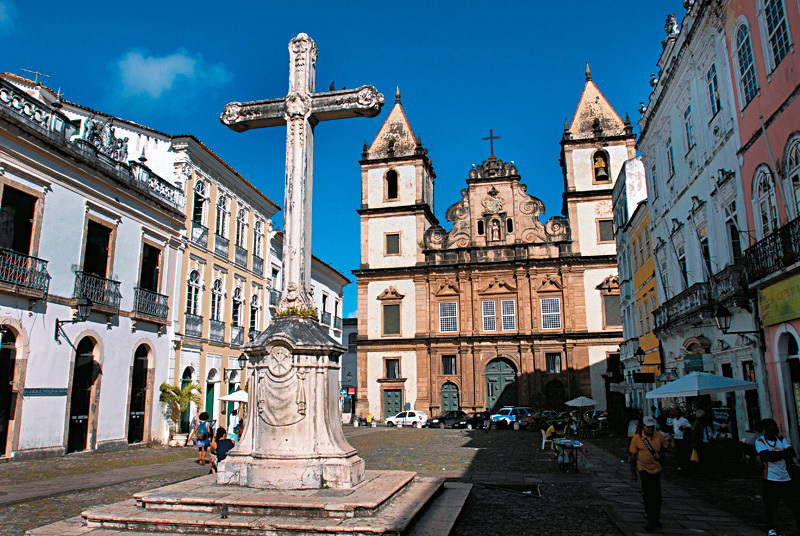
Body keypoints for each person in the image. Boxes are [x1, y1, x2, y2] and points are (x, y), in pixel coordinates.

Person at [755, 418, 800, 536]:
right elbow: (765, 457)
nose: (775, 428)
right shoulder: (760, 441)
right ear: (766, 429)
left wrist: (775, 454)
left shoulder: (781, 439)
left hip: (786, 478)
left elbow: (791, 452)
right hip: (771, 479)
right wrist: (780, 454)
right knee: (770, 507)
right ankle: (771, 528)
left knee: (795, 505)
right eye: (772, 426)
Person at [630, 416, 666, 531]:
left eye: (652, 427)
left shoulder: (659, 436)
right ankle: (651, 518)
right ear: (644, 427)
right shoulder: (637, 438)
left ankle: (655, 517)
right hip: (643, 469)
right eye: (648, 427)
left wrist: (661, 456)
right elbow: (632, 456)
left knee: (657, 495)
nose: (650, 429)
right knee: (648, 494)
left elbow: (665, 447)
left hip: (656, 469)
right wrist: (633, 473)